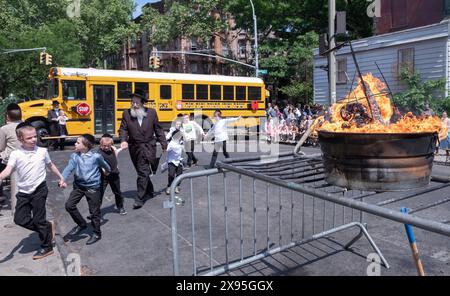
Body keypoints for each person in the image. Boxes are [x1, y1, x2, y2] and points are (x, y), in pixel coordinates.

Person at [0, 123, 65, 259]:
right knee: (19, 219)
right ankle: (47, 228)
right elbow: (8, 169)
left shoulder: (42, 151)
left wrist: (61, 177)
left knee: (38, 220)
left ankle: (47, 247)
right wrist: (1, 176)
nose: (34, 139)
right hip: (23, 191)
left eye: (35, 136)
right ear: (20, 139)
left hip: (39, 190)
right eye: (29, 138)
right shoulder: (16, 154)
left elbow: (50, 165)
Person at [119, 93, 167, 209]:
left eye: (136, 102)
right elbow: (123, 129)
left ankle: (139, 198)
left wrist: (163, 143)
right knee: (142, 171)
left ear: (142, 103)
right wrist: (123, 140)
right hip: (134, 148)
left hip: (148, 146)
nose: (134, 105)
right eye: (132, 102)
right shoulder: (126, 113)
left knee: (143, 172)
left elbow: (158, 129)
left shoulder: (151, 113)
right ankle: (149, 191)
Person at [62, 134, 111, 245]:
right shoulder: (75, 156)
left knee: (94, 212)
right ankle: (81, 224)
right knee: (69, 205)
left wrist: (107, 171)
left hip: (93, 187)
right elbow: (68, 168)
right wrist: (62, 179)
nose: (75, 143)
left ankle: (97, 233)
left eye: (78, 142)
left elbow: (105, 165)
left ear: (85, 146)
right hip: (79, 186)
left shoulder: (96, 157)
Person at [98, 134, 127, 215]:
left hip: (114, 175)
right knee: (100, 193)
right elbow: (99, 163)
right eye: (104, 146)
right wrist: (103, 170)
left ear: (111, 145)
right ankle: (95, 210)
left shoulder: (113, 149)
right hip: (103, 176)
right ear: (101, 145)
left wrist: (122, 148)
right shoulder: (99, 152)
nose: (107, 147)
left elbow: (116, 153)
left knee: (117, 192)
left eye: (108, 146)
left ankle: (120, 207)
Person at [0, 103, 22, 202]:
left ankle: (0, 194)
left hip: (9, 159)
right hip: (26, 156)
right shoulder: (27, 125)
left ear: (8, 116)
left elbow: (1, 147)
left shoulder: (4, 129)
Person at [165, 120, 184, 195]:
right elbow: (166, 139)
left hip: (179, 161)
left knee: (180, 174)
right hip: (171, 161)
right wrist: (170, 132)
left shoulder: (180, 142)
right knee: (171, 175)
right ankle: (169, 186)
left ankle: (176, 186)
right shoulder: (171, 143)